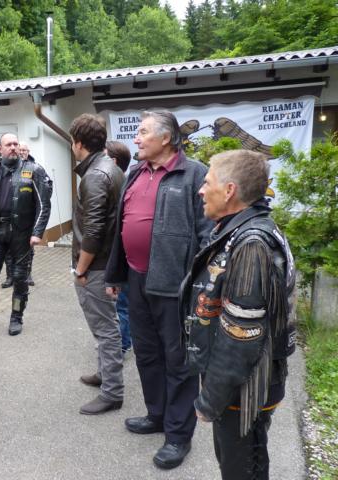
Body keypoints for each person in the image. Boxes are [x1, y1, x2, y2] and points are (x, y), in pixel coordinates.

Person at [105, 110, 213, 469]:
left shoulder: (194, 173)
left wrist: (198, 286)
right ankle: (157, 414)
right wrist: (115, 275)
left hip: (174, 286)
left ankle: (178, 435)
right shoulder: (136, 172)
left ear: (166, 138)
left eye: (143, 132)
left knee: (178, 360)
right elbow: (121, 227)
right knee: (147, 353)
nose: (136, 138)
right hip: (137, 280)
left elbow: (208, 235)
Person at [181, 150, 296, 479]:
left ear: (229, 190)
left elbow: (241, 338)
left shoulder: (251, 244)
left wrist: (210, 400)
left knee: (243, 469)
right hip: (240, 386)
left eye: (207, 183)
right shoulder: (240, 229)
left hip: (245, 390)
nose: (201, 190)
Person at [69, 114, 125, 415]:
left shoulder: (94, 175)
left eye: (72, 142)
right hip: (107, 263)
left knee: (105, 329)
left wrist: (81, 269)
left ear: (79, 143)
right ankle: (105, 374)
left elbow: (93, 230)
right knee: (107, 326)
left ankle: (112, 392)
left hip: (96, 267)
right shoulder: (110, 168)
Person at [0, 133, 51, 336]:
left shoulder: (34, 170)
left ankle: (16, 318)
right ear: (0, 149)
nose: (13, 147)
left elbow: (43, 205)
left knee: (20, 277)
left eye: (15, 144)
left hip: (22, 233)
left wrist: (37, 232)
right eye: (9, 144)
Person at [105, 140, 133, 354]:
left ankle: (122, 344)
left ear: (113, 162)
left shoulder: (121, 187)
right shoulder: (124, 183)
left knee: (121, 304)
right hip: (120, 256)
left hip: (122, 257)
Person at [1, 141, 37, 289]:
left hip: (27, 216)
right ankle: (10, 276)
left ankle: (27, 275)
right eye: (20, 150)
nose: (21, 152)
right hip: (9, 215)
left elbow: (44, 191)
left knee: (28, 248)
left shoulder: (35, 168)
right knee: (8, 249)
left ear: (28, 152)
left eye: (24, 150)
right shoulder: (8, 167)